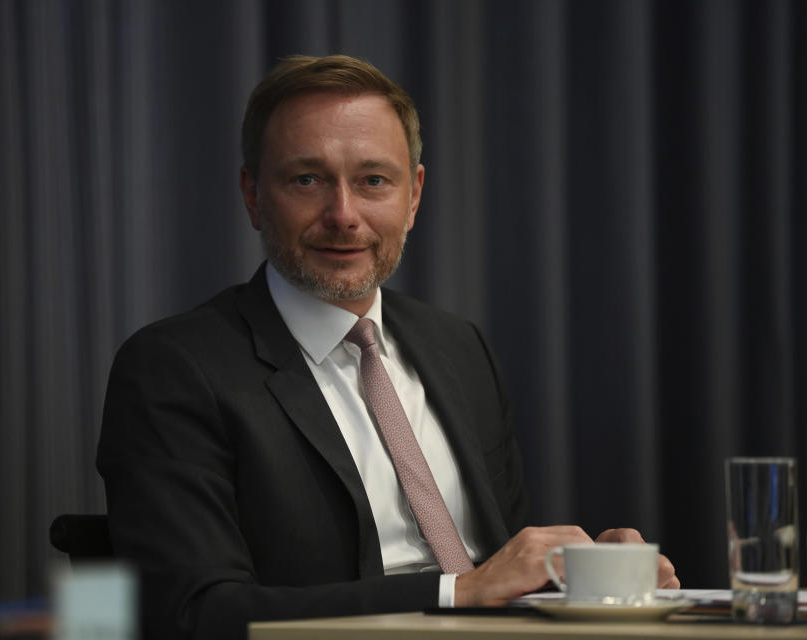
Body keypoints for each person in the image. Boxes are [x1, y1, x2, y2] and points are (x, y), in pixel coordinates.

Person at [96, 54, 678, 640]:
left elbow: (504, 568)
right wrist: (458, 593)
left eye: (373, 180)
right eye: (307, 180)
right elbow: (195, 614)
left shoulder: (459, 346)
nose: (343, 215)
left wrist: (579, 574)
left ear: (414, 196)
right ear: (252, 195)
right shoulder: (174, 368)